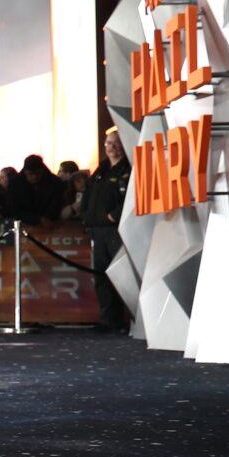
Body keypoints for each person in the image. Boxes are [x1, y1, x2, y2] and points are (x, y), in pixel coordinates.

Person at [82, 129, 133, 332]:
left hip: (115, 230)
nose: (111, 147)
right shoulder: (101, 170)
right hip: (97, 229)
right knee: (101, 276)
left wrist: (115, 215)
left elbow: (132, 196)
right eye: (108, 143)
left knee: (120, 275)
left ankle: (126, 320)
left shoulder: (127, 168)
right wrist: (87, 217)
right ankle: (108, 319)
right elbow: (88, 195)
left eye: (116, 143)